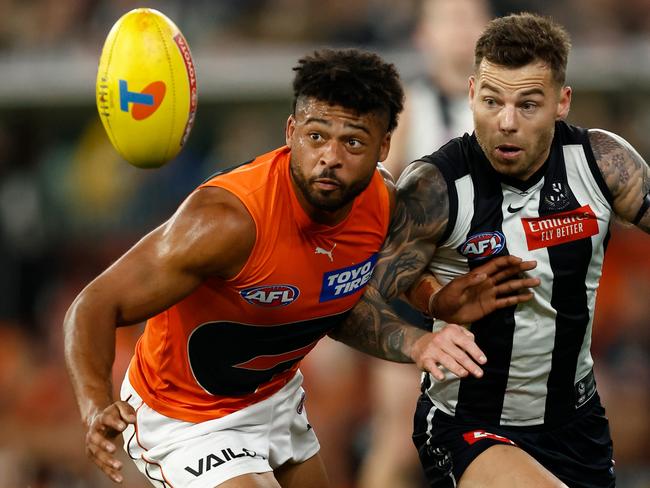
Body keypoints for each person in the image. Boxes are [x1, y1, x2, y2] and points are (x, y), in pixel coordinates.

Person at [63, 48, 539, 488]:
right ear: (291, 133)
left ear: (383, 146)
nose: (330, 158)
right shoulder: (225, 222)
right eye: (316, 137)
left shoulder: (382, 204)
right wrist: (93, 406)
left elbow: (343, 299)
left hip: (275, 396)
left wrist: (433, 307)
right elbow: (92, 306)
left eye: (353, 143)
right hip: (187, 417)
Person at [330, 12, 650, 488]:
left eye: (527, 105)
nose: (505, 122)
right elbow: (348, 300)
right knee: (392, 449)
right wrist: (423, 334)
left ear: (562, 102)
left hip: (577, 424)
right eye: (492, 100)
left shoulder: (602, 163)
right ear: (471, 93)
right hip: (471, 425)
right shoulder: (435, 187)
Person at [358, 2, 490, 487]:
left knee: (501, 440)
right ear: (423, 36)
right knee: (396, 440)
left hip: (497, 293)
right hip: (419, 291)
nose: (459, 31)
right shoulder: (408, 109)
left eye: (468, 17)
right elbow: (374, 206)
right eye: (447, 20)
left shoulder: (515, 110)